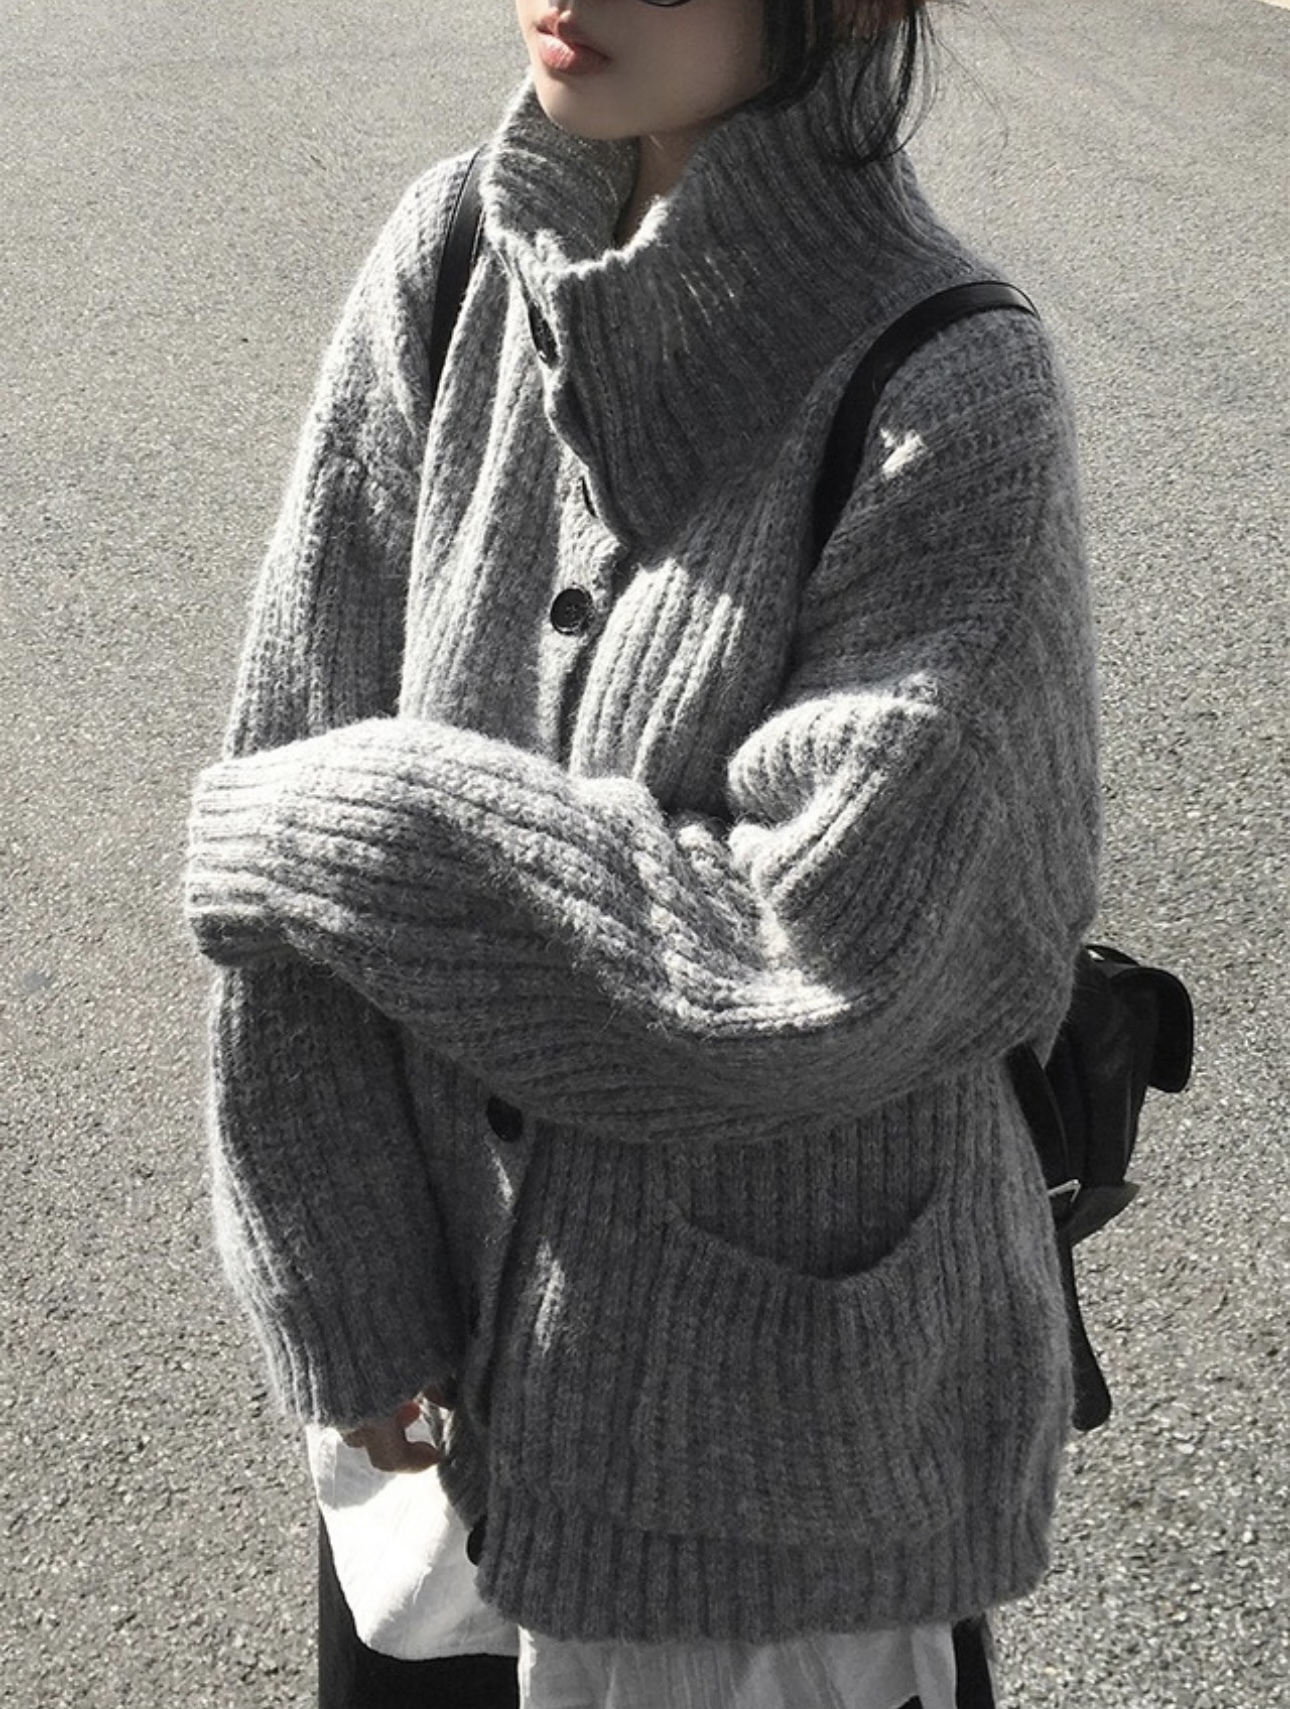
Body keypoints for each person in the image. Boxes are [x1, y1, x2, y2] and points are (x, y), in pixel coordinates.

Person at [184, 0, 1101, 1703]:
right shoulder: (448, 261)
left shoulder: (952, 385)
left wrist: (374, 830)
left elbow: (817, 964)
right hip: (428, 1438)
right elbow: (277, 831)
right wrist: (343, 1280)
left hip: (775, 1512)